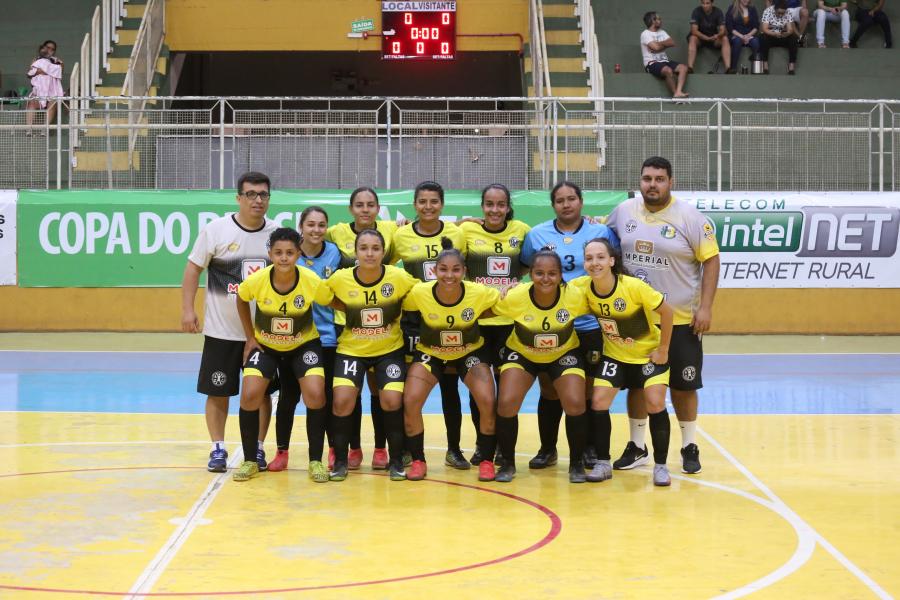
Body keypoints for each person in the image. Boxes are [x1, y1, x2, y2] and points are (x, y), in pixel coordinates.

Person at [606, 156, 720, 476]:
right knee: (639, 386)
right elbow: (600, 237)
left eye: (659, 179)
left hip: (681, 319)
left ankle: (688, 446)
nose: (652, 184)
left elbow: (711, 260)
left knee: (684, 386)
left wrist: (706, 306)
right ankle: (638, 446)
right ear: (639, 181)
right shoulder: (624, 212)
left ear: (671, 182)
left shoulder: (691, 218)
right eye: (646, 179)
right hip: (636, 321)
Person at [181, 171, 279, 473]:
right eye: (251, 194)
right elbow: (193, 269)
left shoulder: (277, 234)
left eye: (263, 194)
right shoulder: (216, 231)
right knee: (218, 391)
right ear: (239, 198)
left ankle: (259, 449)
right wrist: (188, 309)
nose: (257, 200)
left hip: (263, 335)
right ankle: (217, 448)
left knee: (262, 394)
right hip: (221, 332)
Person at [520, 181, 619, 471]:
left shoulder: (600, 232)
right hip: (551, 325)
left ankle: (588, 447)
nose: (566, 204)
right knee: (549, 389)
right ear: (553, 205)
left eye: (571, 198)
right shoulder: (537, 234)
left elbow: (615, 268)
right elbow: (525, 268)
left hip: (590, 325)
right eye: (560, 200)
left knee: (587, 390)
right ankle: (547, 449)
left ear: (581, 201)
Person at [233, 227, 335, 482]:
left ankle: (315, 461)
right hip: (266, 347)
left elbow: (333, 301)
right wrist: (250, 337)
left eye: (290, 252)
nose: (284, 258)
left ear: (298, 253)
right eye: (278, 252)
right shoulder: (258, 279)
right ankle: (249, 460)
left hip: (304, 346)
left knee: (315, 394)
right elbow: (241, 298)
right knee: (249, 394)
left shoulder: (311, 280)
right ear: (270, 254)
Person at [573, 238, 675, 487]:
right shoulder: (582, 287)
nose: (594, 263)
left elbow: (667, 312)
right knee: (598, 401)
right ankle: (603, 462)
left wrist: (663, 349)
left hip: (647, 355)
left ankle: (661, 466)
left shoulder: (633, 287)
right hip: (616, 356)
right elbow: (551, 289)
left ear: (611, 260)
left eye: (600, 257)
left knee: (655, 402)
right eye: (589, 258)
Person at [400, 238, 501, 482]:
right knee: (411, 399)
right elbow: (396, 307)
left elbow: (503, 302)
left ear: (464, 271)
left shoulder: (478, 292)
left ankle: (487, 460)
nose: (449, 275)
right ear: (434, 271)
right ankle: (418, 460)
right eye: (443, 269)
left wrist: (510, 289)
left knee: (488, 399)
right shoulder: (420, 293)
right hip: (432, 351)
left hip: (469, 351)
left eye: (456, 269)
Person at [490, 249, 591, 483]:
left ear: (560, 275)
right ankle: (507, 463)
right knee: (506, 402)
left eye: (552, 273)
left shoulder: (575, 296)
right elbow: (486, 308)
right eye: (539, 273)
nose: (545, 279)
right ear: (530, 274)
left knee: (575, 402)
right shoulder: (516, 296)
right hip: (523, 353)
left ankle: (576, 464)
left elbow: (601, 300)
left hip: (563, 352)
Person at [324, 229, 418, 481]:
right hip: (351, 350)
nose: (369, 253)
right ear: (355, 252)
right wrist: (346, 307)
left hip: (389, 351)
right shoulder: (341, 278)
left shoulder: (397, 276)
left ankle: (396, 460)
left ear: (383, 252)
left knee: (391, 400)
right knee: (342, 400)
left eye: (375, 248)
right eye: (363, 248)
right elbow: (322, 295)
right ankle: (341, 461)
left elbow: (421, 293)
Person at [390, 181, 471, 470]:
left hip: (448, 322)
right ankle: (411, 451)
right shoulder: (400, 235)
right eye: (422, 201)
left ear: (442, 204)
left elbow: (465, 269)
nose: (428, 207)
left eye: (433, 201)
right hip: (413, 324)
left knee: (450, 388)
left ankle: (454, 449)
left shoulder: (456, 233)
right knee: (408, 388)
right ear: (414, 204)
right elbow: (385, 269)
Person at [326, 187, 400, 469]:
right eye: (359, 204)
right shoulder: (335, 232)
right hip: (348, 331)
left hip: (382, 332)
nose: (365, 209)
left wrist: (468, 222)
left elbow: (422, 226)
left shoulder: (392, 229)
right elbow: (311, 241)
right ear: (350, 209)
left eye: (371, 204)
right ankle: (353, 448)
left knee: (379, 392)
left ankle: (381, 449)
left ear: (379, 208)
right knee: (349, 392)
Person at [459, 184, 531, 465]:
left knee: (504, 390)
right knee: (480, 390)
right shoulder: (467, 232)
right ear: (482, 206)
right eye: (489, 204)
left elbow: (526, 265)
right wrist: (461, 221)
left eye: (500, 204)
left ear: (508, 206)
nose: (494, 210)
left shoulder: (521, 230)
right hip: (477, 322)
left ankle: (503, 446)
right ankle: (482, 443)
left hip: (509, 323)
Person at [267, 207, 342, 473]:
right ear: (301, 226)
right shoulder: (289, 255)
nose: (316, 230)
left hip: (328, 338)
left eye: (322, 225)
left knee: (325, 397)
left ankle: (331, 450)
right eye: (310, 224)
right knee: (288, 396)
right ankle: (282, 452)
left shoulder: (335, 253)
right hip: (294, 339)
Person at [640, 11, 690, 99]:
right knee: (668, 70)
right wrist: (663, 45)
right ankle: (676, 94)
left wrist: (658, 44)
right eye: (658, 19)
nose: (660, 21)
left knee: (683, 68)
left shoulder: (662, 32)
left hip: (664, 61)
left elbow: (672, 43)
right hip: (651, 63)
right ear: (652, 21)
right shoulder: (645, 34)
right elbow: (656, 48)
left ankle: (678, 91)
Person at [25, 40, 64, 130]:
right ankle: (28, 129)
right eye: (48, 47)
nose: (50, 50)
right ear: (44, 47)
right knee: (31, 102)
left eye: (52, 49)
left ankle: (44, 129)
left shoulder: (57, 61)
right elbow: (29, 74)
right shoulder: (36, 60)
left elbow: (60, 72)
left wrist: (42, 71)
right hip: (39, 89)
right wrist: (43, 71)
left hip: (52, 90)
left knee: (53, 101)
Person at [687, 0, 732, 74]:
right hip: (700, 38)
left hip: (713, 38)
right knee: (692, 38)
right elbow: (694, 30)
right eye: (703, 3)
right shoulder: (696, 11)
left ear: (712, 3)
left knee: (725, 39)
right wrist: (704, 37)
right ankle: (690, 68)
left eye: (707, 3)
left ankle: (728, 68)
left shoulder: (718, 12)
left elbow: (722, 30)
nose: (705, 5)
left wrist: (717, 35)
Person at [761, 0, 799, 74]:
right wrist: (774, 34)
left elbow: (790, 29)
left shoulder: (788, 12)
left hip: (782, 35)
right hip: (771, 36)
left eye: (783, 13)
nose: (781, 15)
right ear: (775, 9)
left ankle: (791, 67)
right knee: (763, 37)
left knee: (793, 38)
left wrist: (787, 33)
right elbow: (764, 29)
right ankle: (765, 66)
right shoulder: (768, 11)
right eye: (779, 13)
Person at [726, 0, 762, 68]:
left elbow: (756, 26)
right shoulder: (732, 8)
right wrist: (741, 36)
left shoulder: (752, 9)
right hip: (736, 35)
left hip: (749, 35)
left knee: (755, 42)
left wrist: (748, 35)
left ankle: (756, 69)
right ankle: (733, 68)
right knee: (737, 41)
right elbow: (729, 27)